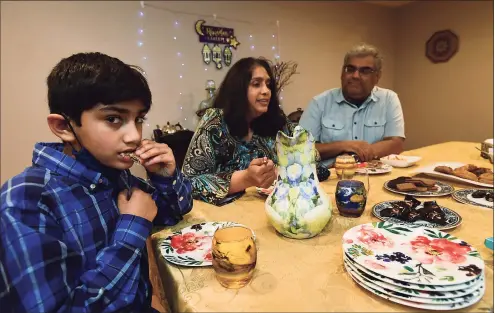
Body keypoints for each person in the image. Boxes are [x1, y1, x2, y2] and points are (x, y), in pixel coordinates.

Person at [0, 52, 193, 312]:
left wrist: (164, 177)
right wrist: (132, 227)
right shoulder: (25, 201)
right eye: (114, 119)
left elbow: (172, 213)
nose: (134, 136)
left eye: (139, 119)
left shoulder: (113, 173)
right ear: (64, 127)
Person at [182, 57, 329, 206]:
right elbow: (187, 184)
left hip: (277, 207)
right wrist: (246, 178)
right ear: (238, 89)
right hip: (227, 217)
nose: (266, 91)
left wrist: (284, 170)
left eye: (268, 85)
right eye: (256, 84)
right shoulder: (215, 122)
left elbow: (317, 165)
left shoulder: (277, 121)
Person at [299, 43, 405, 167]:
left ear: (377, 77)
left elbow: (396, 143)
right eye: (350, 69)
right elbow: (300, 150)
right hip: (330, 178)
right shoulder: (319, 103)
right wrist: (345, 146)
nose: (355, 76)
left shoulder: (388, 99)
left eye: (365, 71)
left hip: (376, 176)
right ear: (342, 73)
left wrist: (353, 157)